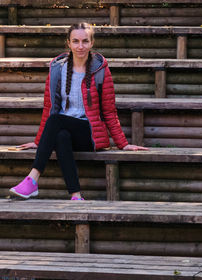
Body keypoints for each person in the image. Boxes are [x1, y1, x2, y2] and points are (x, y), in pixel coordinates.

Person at [9, 22, 148, 201]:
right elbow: (50, 108)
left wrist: (123, 144)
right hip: (64, 127)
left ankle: (33, 179)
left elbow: (109, 110)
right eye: (75, 41)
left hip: (89, 134)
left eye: (84, 41)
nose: (80, 46)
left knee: (56, 121)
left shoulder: (99, 70)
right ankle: (76, 195)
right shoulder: (57, 70)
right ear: (68, 43)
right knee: (60, 136)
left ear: (91, 43)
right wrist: (40, 141)